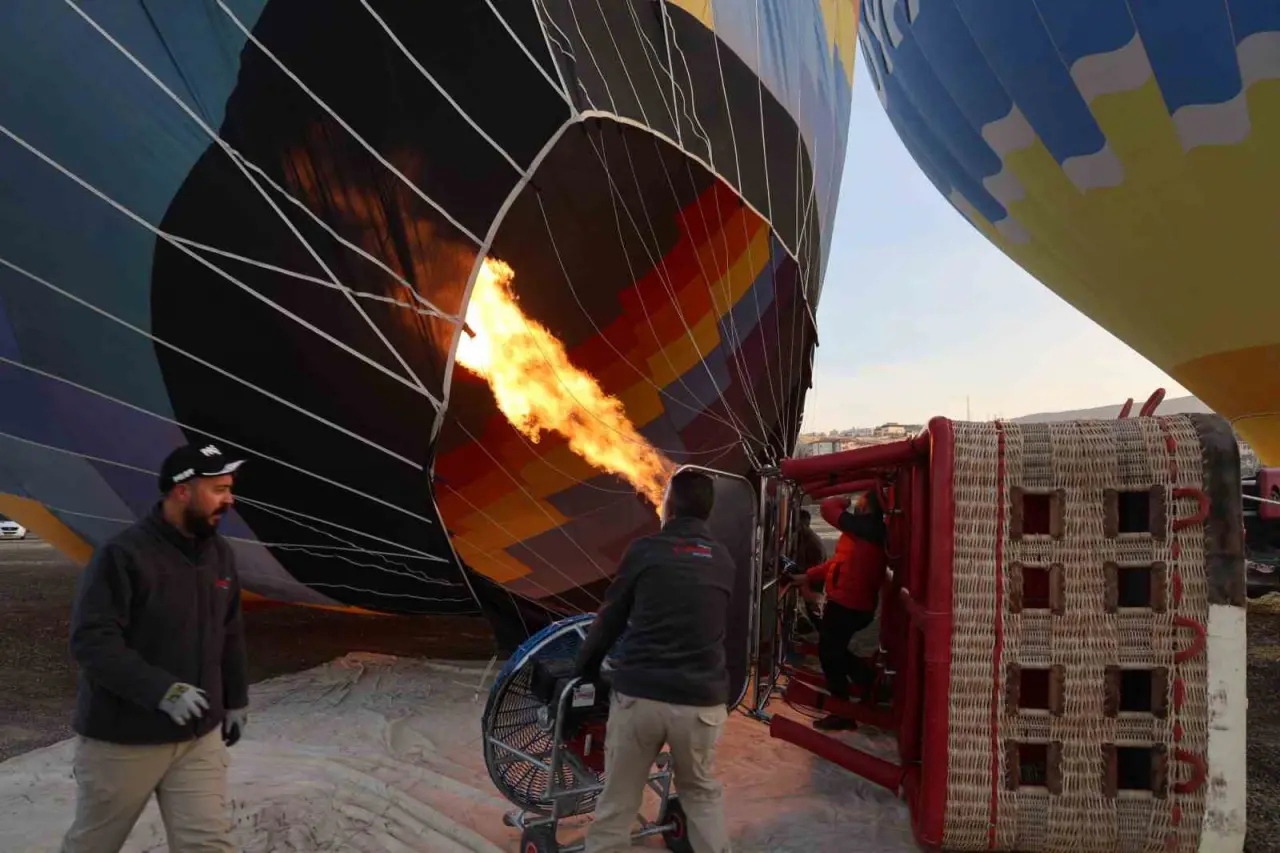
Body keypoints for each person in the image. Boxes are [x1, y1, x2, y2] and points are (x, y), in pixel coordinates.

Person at [60, 442, 250, 853]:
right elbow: (92, 641)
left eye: (229, 488)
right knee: (95, 843)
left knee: (209, 843)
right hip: (126, 739)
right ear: (183, 491)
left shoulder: (220, 555)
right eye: (218, 489)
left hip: (199, 736)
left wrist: (235, 699)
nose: (229, 500)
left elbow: (229, 631)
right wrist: (162, 691)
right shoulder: (124, 556)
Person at [575, 469, 735, 853]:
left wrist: (584, 671)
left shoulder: (645, 551)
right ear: (708, 513)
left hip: (641, 696)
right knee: (701, 796)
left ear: (670, 505)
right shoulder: (724, 559)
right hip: (701, 703)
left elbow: (610, 617)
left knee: (617, 802)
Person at [787, 491, 887, 731]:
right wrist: (807, 576)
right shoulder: (862, 531)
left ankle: (844, 707)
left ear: (868, 507)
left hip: (849, 604)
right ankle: (865, 683)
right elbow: (837, 563)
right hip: (850, 602)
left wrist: (842, 497)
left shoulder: (866, 527)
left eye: (861, 501)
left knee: (830, 653)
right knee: (834, 649)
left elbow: (828, 506)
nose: (856, 506)